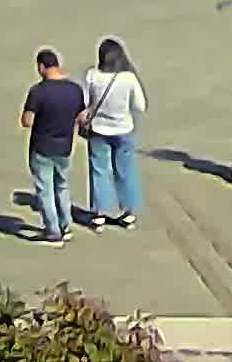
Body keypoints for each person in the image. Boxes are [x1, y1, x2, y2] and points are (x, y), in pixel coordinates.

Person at [20, 47, 87, 242]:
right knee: (62, 187)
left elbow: (27, 121)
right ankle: (66, 226)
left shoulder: (38, 91)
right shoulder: (74, 89)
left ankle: (53, 229)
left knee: (45, 190)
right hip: (65, 146)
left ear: (42, 67)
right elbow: (81, 117)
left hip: (42, 147)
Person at [78, 37, 146, 229]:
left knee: (99, 170)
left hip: (98, 129)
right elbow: (140, 106)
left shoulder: (91, 75)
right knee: (125, 170)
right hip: (123, 128)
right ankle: (128, 212)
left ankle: (99, 213)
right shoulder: (128, 78)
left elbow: (84, 101)